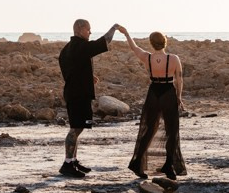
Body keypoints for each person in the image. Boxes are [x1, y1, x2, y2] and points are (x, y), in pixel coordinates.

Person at [117, 26, 186, 180]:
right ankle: (169, 167)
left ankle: (137, 164)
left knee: (148, 129)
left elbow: (134, 48)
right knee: (172, 131)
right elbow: (179, 79)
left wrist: (126, 33)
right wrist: (179, 96)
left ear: (151, 43)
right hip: (168, 92)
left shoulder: (147, 57)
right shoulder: (174, 59)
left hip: (154, 92)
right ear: (165, 42)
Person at [58, 18, 118, 177]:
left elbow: (71, 68)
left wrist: (87, 76)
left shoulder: (68, 48)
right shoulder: (80, 46)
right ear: (79, 29)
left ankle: (73, 161)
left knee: (78, 128)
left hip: (74, 92)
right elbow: (103, 41)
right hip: (77, 95)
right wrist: (114, 27)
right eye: (88, 29)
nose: (90, 32)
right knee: (75, 128)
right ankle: (67, 164)